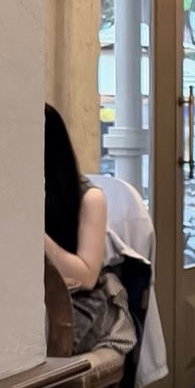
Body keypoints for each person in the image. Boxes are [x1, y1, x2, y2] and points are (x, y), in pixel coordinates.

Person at [43, 104, 138, 365]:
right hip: (36, 294)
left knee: (33, 342)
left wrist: (35, 233)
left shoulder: (89, 197)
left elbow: (86, 276)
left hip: (79, 301)